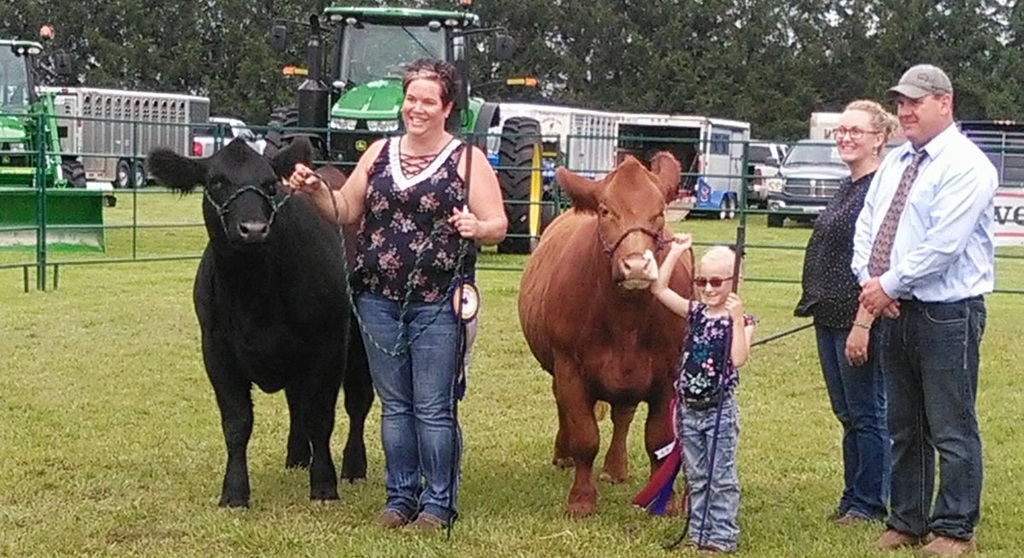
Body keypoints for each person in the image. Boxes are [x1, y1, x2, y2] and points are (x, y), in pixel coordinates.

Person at [288, 58, 508, 531]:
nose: (417, 108)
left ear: (447, 107)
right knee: (396, 407)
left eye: (429, 100)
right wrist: (313, 190)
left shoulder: (467, 161)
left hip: (438, 301)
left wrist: (477, 226)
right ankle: (399, 497)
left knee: (432, 406)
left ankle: (438, 504)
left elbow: (499, 225)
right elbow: (345, 209)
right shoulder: (379, 153)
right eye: (411, 99)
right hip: (377, 299)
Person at [852, 64, 997, 555]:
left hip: (948, 312)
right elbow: (870, 223)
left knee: (950, 425)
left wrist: (886, 284)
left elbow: (944, 246)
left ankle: (955, 529)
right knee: (904, 423)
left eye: (916, 101)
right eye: (900, 102)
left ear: (945, 104)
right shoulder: (896, 162)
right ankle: (908, 520)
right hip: (897, 308)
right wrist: (870, 280)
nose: (905, 111)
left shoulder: (968, 165)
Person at [795, 100, 899, 526]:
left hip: (857, 317)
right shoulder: (849, 185)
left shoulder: (879, 189)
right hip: (829, 314)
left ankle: (869, 502)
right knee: (848, 413)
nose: (845, 137)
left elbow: (878, 261)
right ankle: (853, 495)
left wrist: (863, 323)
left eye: (855, 130)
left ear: (879, 138)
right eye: (841, 130)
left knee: (867, 412)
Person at [649, 235, 756, 554]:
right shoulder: (695, 312)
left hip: (718, 412)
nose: (708, 289)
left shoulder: (739, 321)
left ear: (734, 282)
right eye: (701, 281)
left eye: (716, 282)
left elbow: (738, 358)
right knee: (696, 476)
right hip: (688, 411)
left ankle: (721, 536)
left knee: (719, 477)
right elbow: (659, 289)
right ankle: (698, 532)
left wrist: (737, 319)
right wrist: (677, 252)